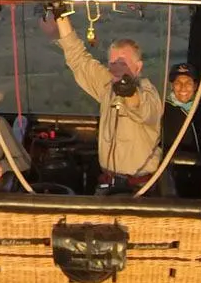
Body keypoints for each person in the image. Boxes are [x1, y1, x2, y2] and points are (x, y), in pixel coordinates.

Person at [53, 12, 163, 192]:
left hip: (140, 189)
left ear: (139, 66)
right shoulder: (107, 86)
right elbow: (78, 59)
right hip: (108, 183)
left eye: (123, 63)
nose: (116, 68)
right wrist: (60, 14)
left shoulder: (148, 92)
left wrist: (129, 92)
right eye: (112, 63)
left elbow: (141, 107)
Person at [161, 62, 201, 197]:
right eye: (178, 82)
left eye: (188, 83)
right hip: (172, 178)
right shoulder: (161, 110)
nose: (183, 87)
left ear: (196, 86)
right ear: (172, 86)